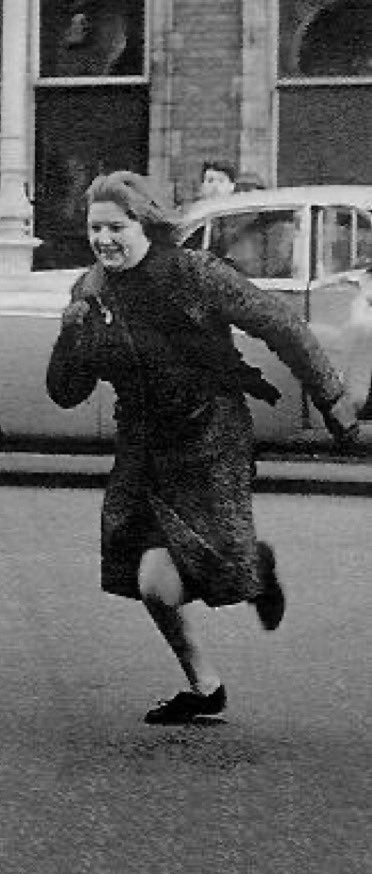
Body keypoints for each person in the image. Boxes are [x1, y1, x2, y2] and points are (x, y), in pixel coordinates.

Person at [45, 171, 358, 725]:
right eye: (95, 230)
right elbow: (67, 394)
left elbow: (281, 324)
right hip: (142, 449)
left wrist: (331, 396)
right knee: (151, 584)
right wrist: (71, 335)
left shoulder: (193, 273)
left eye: (115, 227)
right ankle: (203, 684)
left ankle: (253, 568)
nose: (103, 240)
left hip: (210, 437)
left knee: (215, 563)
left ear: (145, 224)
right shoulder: (91, 293)